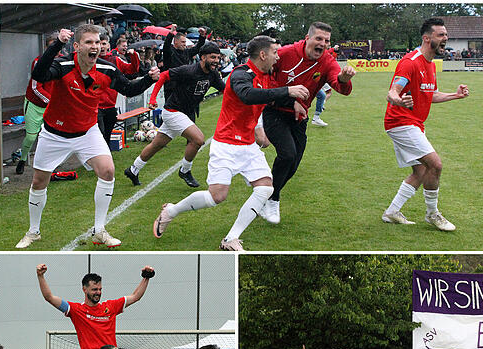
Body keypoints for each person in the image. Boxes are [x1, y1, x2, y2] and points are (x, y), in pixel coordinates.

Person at [151, 35, 309, 251]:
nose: (277, 56)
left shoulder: (265, 76)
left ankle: (230, 239)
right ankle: (171, 211)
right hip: (226, 144)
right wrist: (287, 91)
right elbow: (247, 95)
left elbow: (266, 97)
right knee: (217, 196)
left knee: (265, 188)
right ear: (263, 54)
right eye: (274, 52)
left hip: (248, 146)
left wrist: (292, 103)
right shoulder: (240, 73)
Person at [15, 25, 160, 249]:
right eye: (89, 42)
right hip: (54, 134)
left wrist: (149, 79)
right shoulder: (62, 65)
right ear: (77, 46)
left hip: (87, 131)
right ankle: (33, 232)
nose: (95, 47)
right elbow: (39, 74)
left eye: (98, 43)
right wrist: (56, 45)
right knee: (38, 181)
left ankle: (99, 230)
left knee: (108, 170)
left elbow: (129, 89)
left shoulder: (107, 69)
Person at [258, 22, 355, 225]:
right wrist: (290, 99)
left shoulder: (328, 60)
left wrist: (344, 79)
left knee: (293, 163)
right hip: (274, 111)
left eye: (327, 41)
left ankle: (265, 193)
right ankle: (273, 199)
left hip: (299, 118)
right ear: (307, 38)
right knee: (287, 153)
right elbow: (264, 77)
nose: (323, 43)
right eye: (319, 38)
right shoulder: (285, 53)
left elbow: (341, 87)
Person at [382, 17, 468, 231]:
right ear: (426, 38)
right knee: (435, 165)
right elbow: (393, 91)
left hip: (414, 124)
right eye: (441, 35)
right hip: (401, 122)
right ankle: (432, 214)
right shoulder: (411, 62)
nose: (445, 39)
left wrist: (455, 96)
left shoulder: (430, 65)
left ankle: (391, 212)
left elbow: (432, 95)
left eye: (446, 35)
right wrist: (398, 99)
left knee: (421, 172)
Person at [38, 263, 152, 349]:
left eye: (100, 289)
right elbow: (49, 297)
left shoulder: (110, 306)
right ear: (84, 289)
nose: (98, 292)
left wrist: (146, 277)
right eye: (94, 289)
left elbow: (135, 296)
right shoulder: (76, 309)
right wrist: (40, 276)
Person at [125, 43, 226, 187]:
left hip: (183, 114)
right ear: (203, 57)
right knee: (198, 140)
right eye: (213, 57)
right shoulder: (189, 70)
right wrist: (152, 99)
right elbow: (164, 75)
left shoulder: (213, 74)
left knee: (156, 145)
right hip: (173, 112)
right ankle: (185, 170)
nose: (216, 60)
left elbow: (226, 91)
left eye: (218, 57)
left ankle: (133, 169)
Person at [17, 32, 59, 175]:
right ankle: (22, 160)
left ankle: (50, 164)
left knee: (52, 136)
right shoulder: (38, 61)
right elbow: (35, 87)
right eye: (51, 47)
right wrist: (51, 101)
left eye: (57, 48)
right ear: (46, 48)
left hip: (50, 107)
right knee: (31, 137)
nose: (55, 51)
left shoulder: (61, 62)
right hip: (34, 104)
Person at [97, 36, 140, 150]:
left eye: (104, 43)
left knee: (107, 134)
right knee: (99, 134)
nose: (101, 46)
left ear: (108, 46)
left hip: (110, 105)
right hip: (95, 106)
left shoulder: (115, 60)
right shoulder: (89, 60)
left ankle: (104, 157)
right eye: (99, 43)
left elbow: (132, 70)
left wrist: (133, 56)